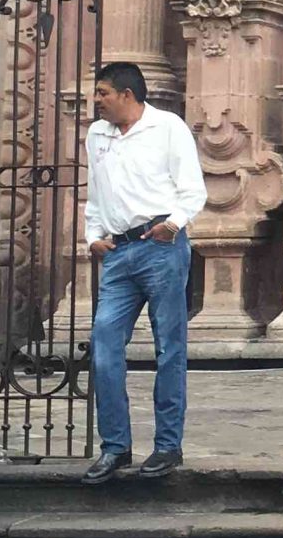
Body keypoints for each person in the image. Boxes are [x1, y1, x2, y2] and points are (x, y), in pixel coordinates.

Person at [82, 62, 207, 486]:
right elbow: (96, 190)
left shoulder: (168, 128)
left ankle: (168, 445)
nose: (96, 100)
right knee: (104, 345)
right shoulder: (96, 135)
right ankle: (115, 446)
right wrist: (92, 234)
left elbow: (192, 188)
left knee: (169, 347)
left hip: (161, 246)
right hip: (117, 251)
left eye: (103, 92)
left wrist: (171, 225)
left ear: (127, 95)